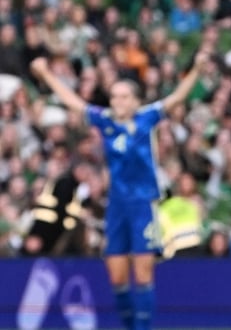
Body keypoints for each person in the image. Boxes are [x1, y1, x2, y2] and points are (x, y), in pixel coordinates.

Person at [29, 51, 209, 330]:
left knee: (143, 274)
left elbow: (176, 98)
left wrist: (196, 69)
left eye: (124, 97)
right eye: (114, 97)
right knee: (117, 278)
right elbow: (74, 103)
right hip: (116, 206)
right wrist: (46, 74)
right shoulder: (106, 120)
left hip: (143, 204)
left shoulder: (147, 117)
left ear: (136, 101)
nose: (118, 101)